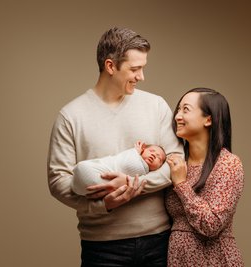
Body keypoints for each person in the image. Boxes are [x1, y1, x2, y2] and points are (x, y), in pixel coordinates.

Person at [47, 26, 183, 266]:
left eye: (143, 68)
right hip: (101, 248)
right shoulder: (70, 116)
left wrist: (135, 185)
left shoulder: (156, 105)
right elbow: (58, 181)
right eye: (135, 69)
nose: (141, 76)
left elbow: (176, 163)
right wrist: (103, 205)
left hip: (159, 241)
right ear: (110, 66)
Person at [165, 87, 244, 266]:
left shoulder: (228, 164)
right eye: (178, 109)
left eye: (185, 110)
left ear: (208, 119)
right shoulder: (176, 162)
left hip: (213, 260)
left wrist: (181, 185)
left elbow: (211, 224)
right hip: (178, 259)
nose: (177, 116)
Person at [71, 141, 166, 195]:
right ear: (142, 149)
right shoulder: (133, 155)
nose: (154, 155)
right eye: (152, 151)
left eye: (159, 158)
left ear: (159, 167)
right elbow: (127, 163)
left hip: (87, 187)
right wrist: (134, 152)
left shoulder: (147, 173)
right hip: (92, 169)